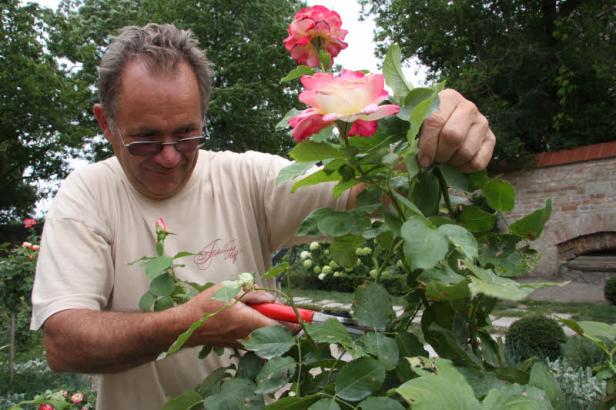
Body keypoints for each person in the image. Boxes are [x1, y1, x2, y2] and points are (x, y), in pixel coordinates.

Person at [31, 23, 495, 409]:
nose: (170, 157)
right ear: (106, 123)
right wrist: (190, 324)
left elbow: (372, 193)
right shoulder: (86, 196)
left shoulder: (246, 177)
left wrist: (434, 133)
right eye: (146, 139)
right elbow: (65, 341)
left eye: (187, 134)